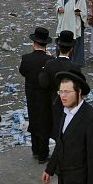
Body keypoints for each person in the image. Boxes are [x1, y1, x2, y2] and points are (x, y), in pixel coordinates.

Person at [19, 27, 53, 163]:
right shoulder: (50, 60)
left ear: (34, 43)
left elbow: (23, 72)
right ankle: (43, 154)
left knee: (33, 120)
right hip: (45, 96)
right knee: (45, 122)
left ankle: (35, 149)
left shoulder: (26, 59)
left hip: (31, 94)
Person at [56, 0, 87, 67]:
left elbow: (83, 9)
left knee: (76, 43)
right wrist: (59, 9)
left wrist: (80, 13)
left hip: (75, 22)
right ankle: (62, 59)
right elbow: (58, 5)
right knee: (63, 40)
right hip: (65, 21)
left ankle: (76, 62)